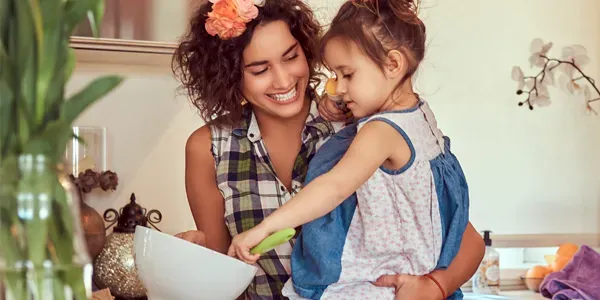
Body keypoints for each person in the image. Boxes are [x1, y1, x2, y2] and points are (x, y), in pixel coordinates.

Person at [172, 0, 485, 299]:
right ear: (230, 75)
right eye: (259, 70)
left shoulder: (360, 124)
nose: (283, 80)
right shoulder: (210, 147)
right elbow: (223, 277)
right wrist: (191, 259)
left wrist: (435, 286)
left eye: (291, 57)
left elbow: (463, 239)